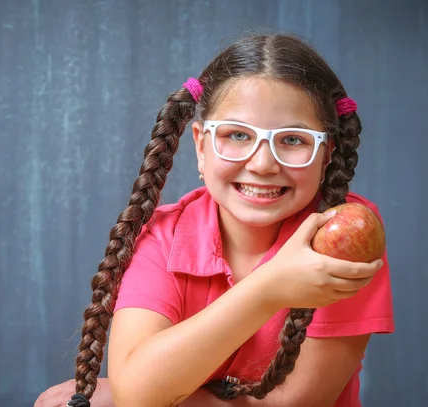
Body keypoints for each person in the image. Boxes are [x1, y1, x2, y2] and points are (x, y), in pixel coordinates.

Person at [35, 33, 394, 407]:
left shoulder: (345, 235)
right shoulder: (161, 236)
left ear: (326, 153)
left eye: (293, 140)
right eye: (237, 135)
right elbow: (138, 393)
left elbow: (294, 403)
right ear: (201, 146)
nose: (262, 164)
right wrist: (269, 290)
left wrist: (143, 394)